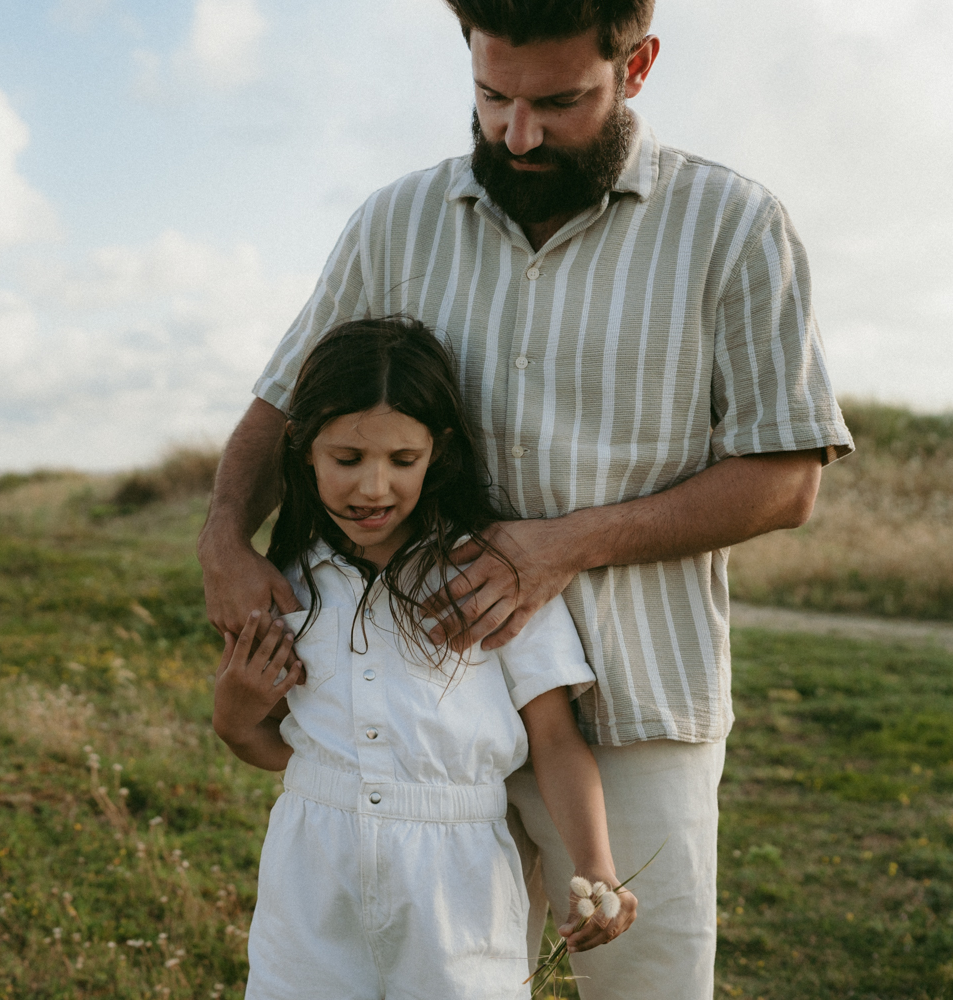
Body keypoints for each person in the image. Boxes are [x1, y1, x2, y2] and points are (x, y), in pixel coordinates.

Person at [197, 1, 854, 996]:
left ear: (637, 67)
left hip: (637, 710)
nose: (516, 133)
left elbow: (786, 479)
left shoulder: (733, 225)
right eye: (490, 95)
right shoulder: (393, 220)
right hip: (427, 724)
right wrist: (222, 541)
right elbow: (288, 401)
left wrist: (567, 544)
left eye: (558, 101)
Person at [212, 317, 636, 999]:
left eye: (401, 460)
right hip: (312, 880)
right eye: (347, 459)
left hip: (457, 886)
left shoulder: (495, 579)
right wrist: (234, 720)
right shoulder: (284, 584)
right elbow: (302, 754)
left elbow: (555, 740)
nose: (373, 488)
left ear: (437, 452)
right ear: (303, 449)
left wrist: (596, 864)